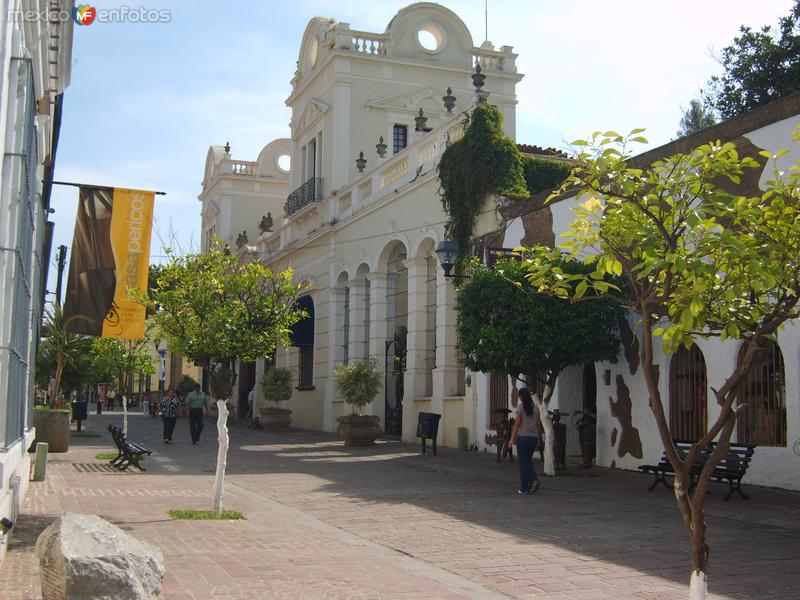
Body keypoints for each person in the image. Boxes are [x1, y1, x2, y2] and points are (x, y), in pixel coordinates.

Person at [508, 387, 541, 494]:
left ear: (521, 397)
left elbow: (517, 424)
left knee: (523, 463)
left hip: (523, 438)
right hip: (533, 438)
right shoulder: (536, 407)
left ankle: (525, 487)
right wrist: (539, 439)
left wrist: (512, 439)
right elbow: (538, 424)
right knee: (528, 461)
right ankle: (533, 481)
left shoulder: (521, 407)